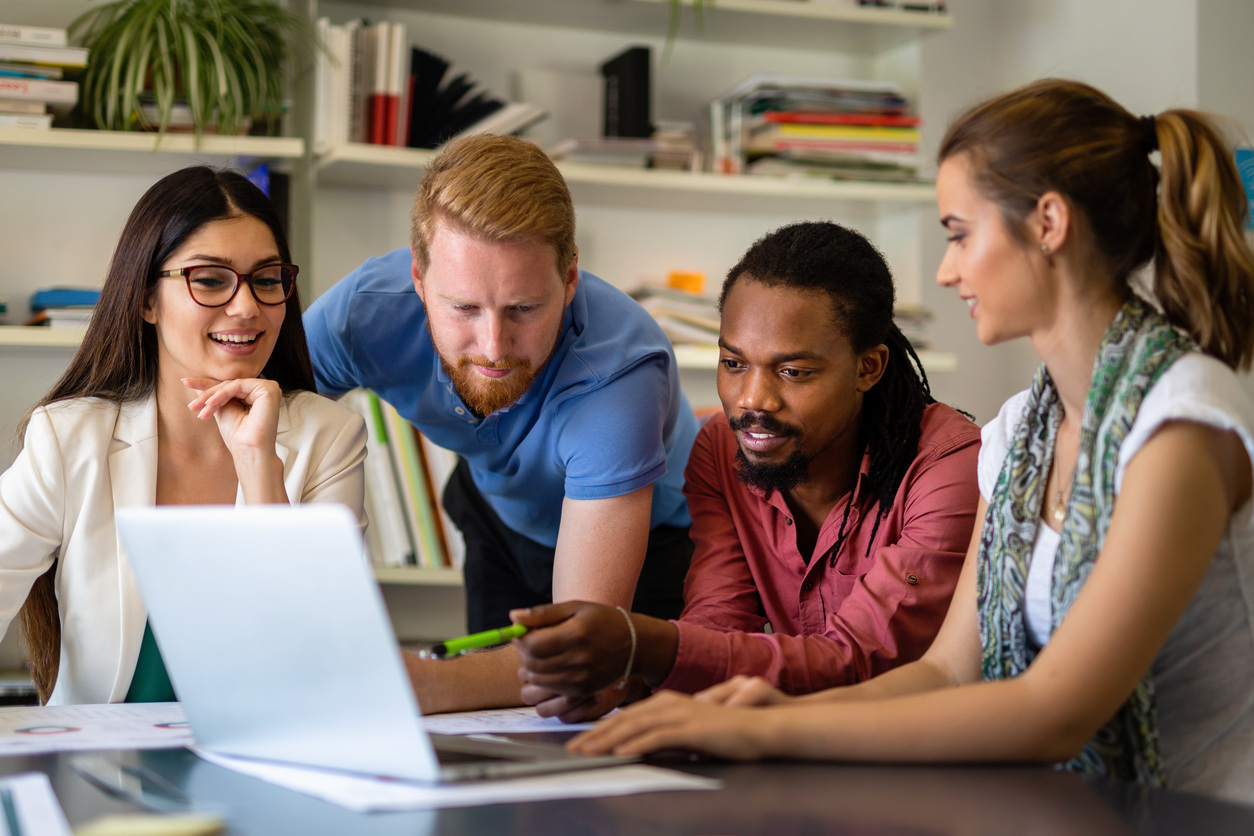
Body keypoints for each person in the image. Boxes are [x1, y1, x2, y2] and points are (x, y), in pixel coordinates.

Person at [567, 78, 1254, 804]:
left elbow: (1054, 713)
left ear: (1048, 223)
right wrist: (761, 713)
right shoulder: (1022, 432)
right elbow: (948, 672)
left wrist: (775, 734)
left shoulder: (1180, 420)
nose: (945, 269)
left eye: (960, 233)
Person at [511, 221, 981, 722]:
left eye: (793, 372)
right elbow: (718, 623)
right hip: (797, 753)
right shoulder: (721, 450)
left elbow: (863, 661)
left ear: (869, 367)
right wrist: (630, 678)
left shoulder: (950, 466)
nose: (753, 400)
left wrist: (645, 647)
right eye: (734, 364)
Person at [303, 134, 699, 713]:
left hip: (655, 542)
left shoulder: (617, 379)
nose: (493, 346)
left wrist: (416, 681)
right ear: (418, 281)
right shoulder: (364, 312)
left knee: (584, 712)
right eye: (463, 308)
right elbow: (254, 416)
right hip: (497, 514)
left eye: (524, 309)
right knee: (494, 729)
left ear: (569, 282)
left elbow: (578, 659)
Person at [0, 166, 367, 706]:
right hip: (96, 771)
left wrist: (259, 465)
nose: (246, 307)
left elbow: (323, 659)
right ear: (147, 299)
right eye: (210, 279)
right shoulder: (69, 437)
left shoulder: (329, 437)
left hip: (258, 769)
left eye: (266, 279)